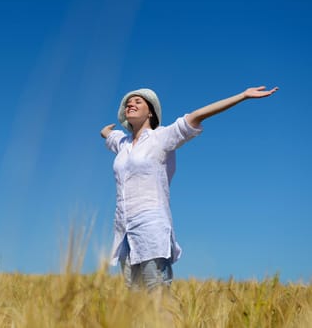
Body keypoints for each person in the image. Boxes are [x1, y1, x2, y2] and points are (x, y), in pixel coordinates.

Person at [100, 85, 279, 291]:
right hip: (124, 230)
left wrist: (242, 96)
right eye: (127, 103)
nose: (130, 104)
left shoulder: (162, 137)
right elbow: (107, 134)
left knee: (156, 293)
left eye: (137, 101)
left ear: (150, 112)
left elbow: (197, 115)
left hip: (150, 227)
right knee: (133, 300)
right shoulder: (123, 144)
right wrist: (105, 130)